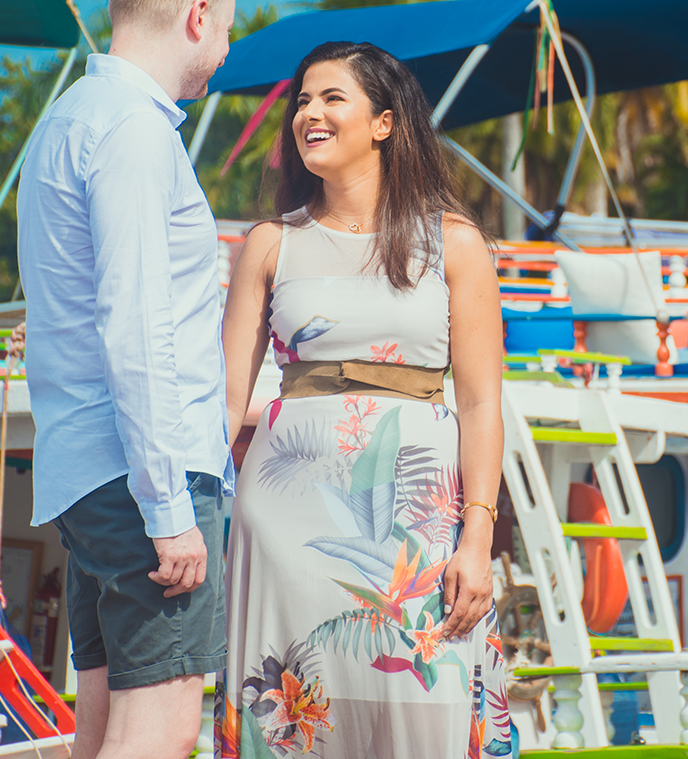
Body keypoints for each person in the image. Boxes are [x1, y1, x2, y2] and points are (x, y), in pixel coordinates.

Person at [217, 42, 512, 758]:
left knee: (420, 701)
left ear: (384, 122)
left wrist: (477, 538)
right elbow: (223, 405)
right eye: (302, 101)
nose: (308, 113)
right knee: (292, 713)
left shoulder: (455, 243)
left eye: (331, 98)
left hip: (417, 522)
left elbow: (479, 405)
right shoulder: (267, 243)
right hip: (282, 522)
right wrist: (184, 521)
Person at [17, 0, 236, 759]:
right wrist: (169, 508)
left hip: (87, 473)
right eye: (223, 29)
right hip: (146, 472)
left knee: (103, 721)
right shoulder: (137, 133)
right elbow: (137, 327)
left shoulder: (70, 118)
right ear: (195, 15)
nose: (222, 50)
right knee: (165, 725)